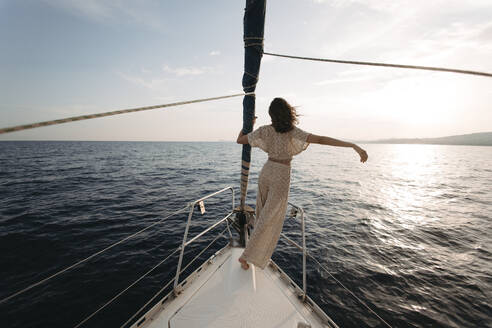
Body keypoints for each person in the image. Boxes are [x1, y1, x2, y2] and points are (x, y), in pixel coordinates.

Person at [236, 97, 368, 270]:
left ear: (271, 115)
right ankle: (247, 256)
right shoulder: (292, 132)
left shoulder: (264, 131)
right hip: (281, 174)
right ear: (288, 112)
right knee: (269, 218)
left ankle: (254, 255)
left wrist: (249, 124)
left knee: (262, 214)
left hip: (267, 171)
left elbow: (240, 140)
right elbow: (321, 139)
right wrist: (353, 146)